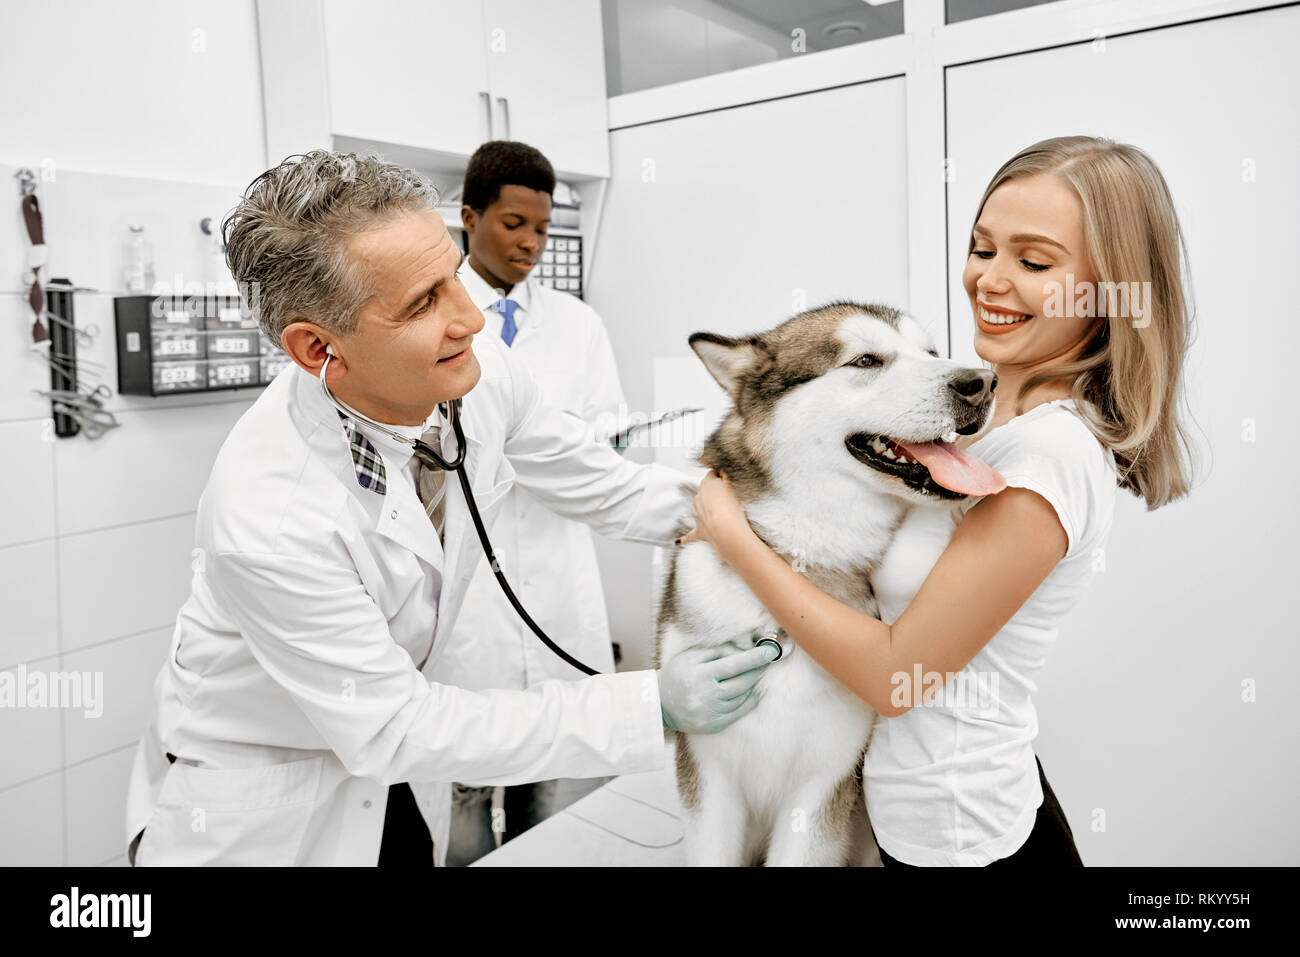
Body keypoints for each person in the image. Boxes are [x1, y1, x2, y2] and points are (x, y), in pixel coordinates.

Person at [123, 150, 779, 867]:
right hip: (267, 807)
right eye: (423, 302)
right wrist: (651, 702)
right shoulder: (270, 515)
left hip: (383, 778)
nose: (470, 316)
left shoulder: (477, 371)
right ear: (319, 348)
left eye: (453, 277)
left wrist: (774, 529)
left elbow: (606, 485)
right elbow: (399, 725)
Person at [678, 135, 1199, 866]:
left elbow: (896, 675)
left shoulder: (1047, 454)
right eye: (983, 247)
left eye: (1034, 261)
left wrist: (733, 540)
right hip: (921, 810)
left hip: (961, 838)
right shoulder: (983, 421)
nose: (990, 279)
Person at [435, 141, 632, 863]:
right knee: (462, 799)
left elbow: (605, 440)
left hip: (556, 577)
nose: (530, 244)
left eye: (542, 229)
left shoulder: (579, 325)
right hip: (468, 603)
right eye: (514, 223)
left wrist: (562, 452)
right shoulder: (435, 320)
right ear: (468, 216)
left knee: (546, 801)